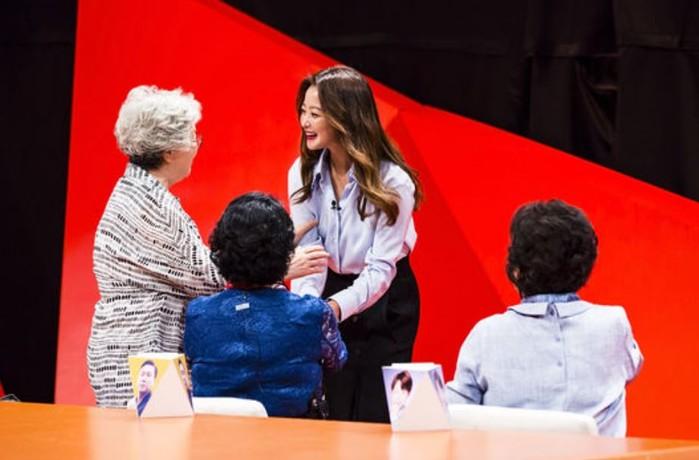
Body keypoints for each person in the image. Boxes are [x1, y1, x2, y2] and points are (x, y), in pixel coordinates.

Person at [87, 85, 327, 408]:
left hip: (137, 346)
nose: (196, 146)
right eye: (193, 138)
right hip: (143, 350)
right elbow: (209, 276)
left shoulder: (139, 191)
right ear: (170, 151)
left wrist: (278, 240)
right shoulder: (149, 205)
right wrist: (280, 262)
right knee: (149, 437)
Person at [288, 65, 423, 422]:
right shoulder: (301, 172)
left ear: (345, 116)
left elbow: (381, 269)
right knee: (331, 410)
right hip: (328, 287)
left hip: (387, 297)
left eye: (315, 114)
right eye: (303, 111)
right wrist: (310, 308)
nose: (304, 122)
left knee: (375, 416)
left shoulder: (393, 182)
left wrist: (334, 308)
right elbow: (309, 254)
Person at [446, 199, 643, 437]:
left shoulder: (486, 334)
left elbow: (453, 411)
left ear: (516, 270)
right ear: (586, 265)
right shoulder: (613, 324)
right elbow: (630, 369)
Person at [184, 192, 348, 417]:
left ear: (220, 249)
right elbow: (337, 360)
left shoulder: (198, 313)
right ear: (286, 255)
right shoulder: (312, 312)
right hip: (296, 435)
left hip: (216, 435)